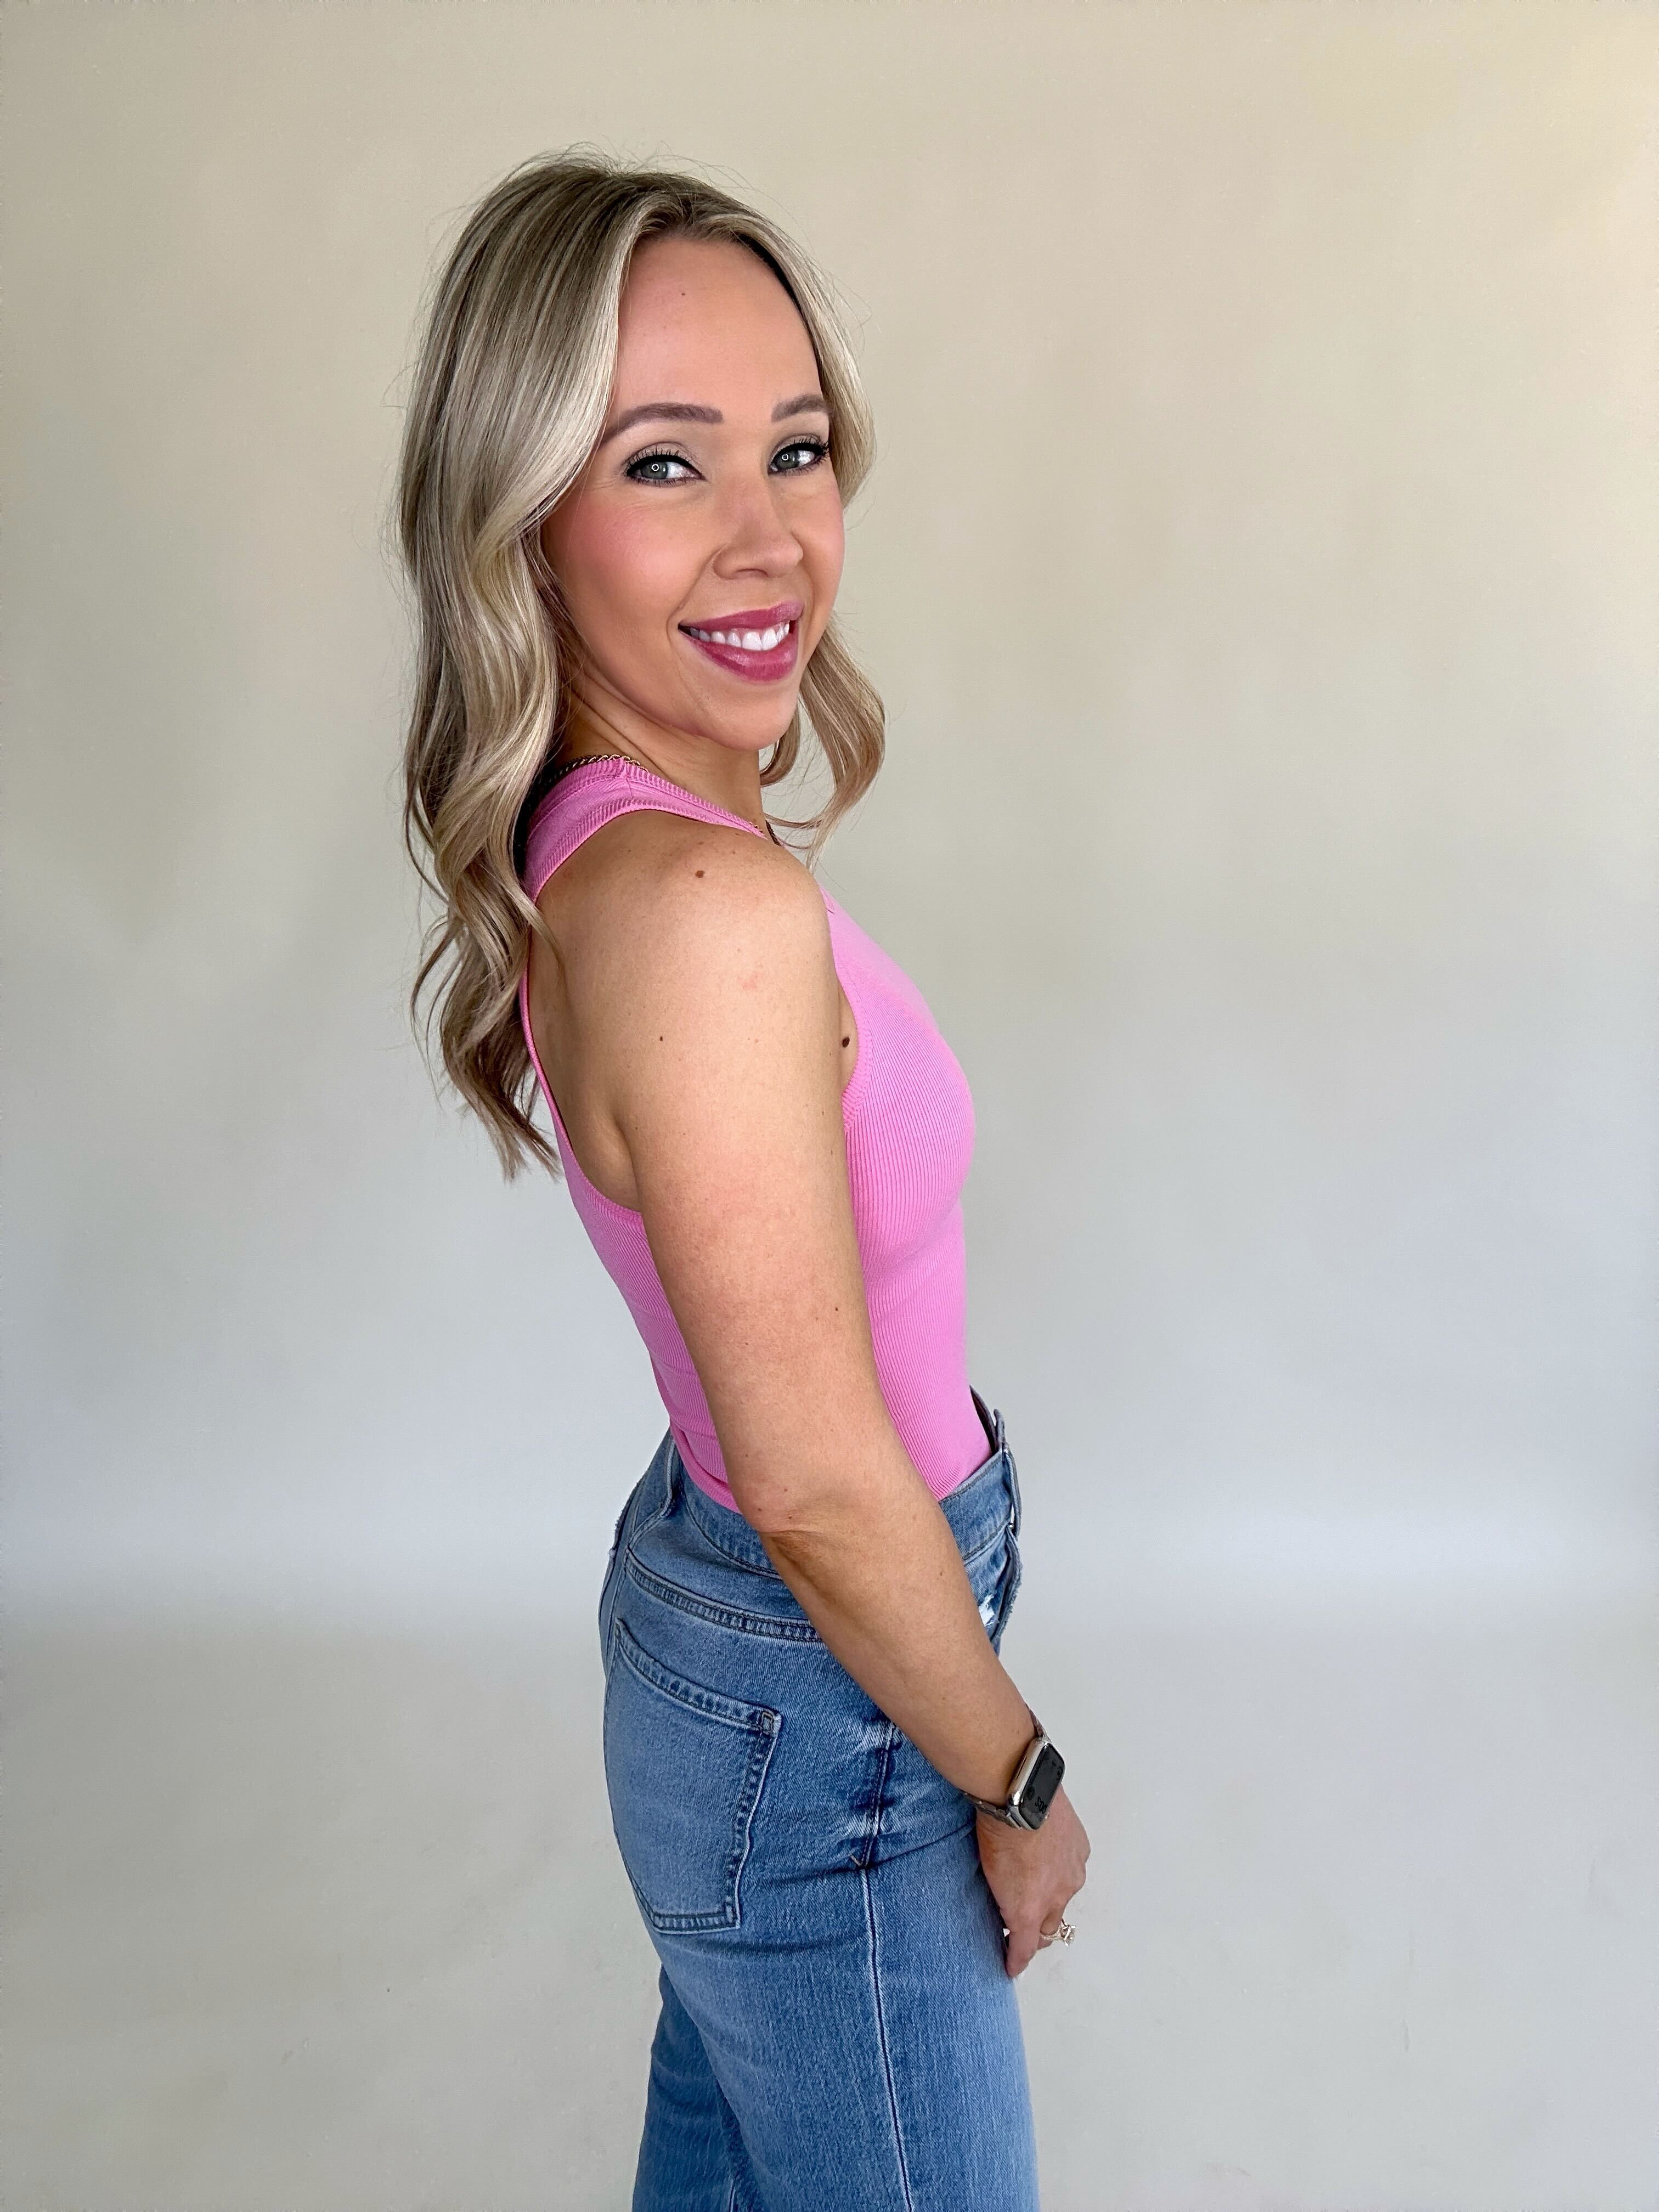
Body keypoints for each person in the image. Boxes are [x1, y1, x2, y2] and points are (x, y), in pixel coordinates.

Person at [394, 150, 1089, 2211]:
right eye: (662, 464)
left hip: (773, 1682)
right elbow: (812, 1476)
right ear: (526, 522)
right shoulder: (705, 915)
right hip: (832, 1713)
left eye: (795, 446)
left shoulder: (614, 847)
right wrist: (1018, 1773)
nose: (769, 529)